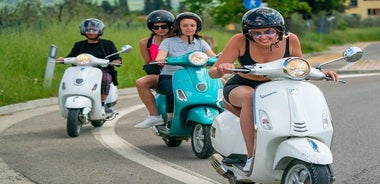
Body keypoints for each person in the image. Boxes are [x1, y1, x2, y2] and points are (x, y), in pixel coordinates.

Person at [208, 7, 339, 172]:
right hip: (242, 85)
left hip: (276, 86)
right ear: (248, 33)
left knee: (299, 94)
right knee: (250, 96)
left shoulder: (291, 40)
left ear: (279, 31)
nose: (263, 37)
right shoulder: (239, 40)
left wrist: (320, 73)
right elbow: (212, 72)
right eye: (256, 33)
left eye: (269, 31)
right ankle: (251, 158)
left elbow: (298, 65)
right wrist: (221, 69)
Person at [155, 12, 216, 127]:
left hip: (196, 76)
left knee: (214, 88)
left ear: (197, 27)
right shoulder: (168, 42)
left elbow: (212, 56)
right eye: (185, 25)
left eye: (192, 25)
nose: (189, 28)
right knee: (172, 91)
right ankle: (170, 118)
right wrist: (161, 59)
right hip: (171, 76)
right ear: (179, 27)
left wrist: (220, 60)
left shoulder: (201, 42)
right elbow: (160, 56)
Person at [60, 18, 122, 115]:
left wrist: (116, 61)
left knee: (106, 77)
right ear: (83, 30)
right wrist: (62, 59)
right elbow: (71, 56)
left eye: (94, 30)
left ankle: (102, 104)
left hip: (101, 70)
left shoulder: (108, 44)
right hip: (80, 70)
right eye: (88, 29)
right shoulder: (78, 45)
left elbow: (116, 57)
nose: (91, 32)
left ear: (99, 31)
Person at [134, 10, 175, 128]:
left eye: (164, 26)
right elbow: (148, 62)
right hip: (160, 74)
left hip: (181, 72)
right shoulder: (145, 43)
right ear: (150, 27)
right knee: (141, 82)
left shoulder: (178, 40)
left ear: (171, 25)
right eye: (155, 27)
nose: (160, 29)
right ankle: (154, 116)